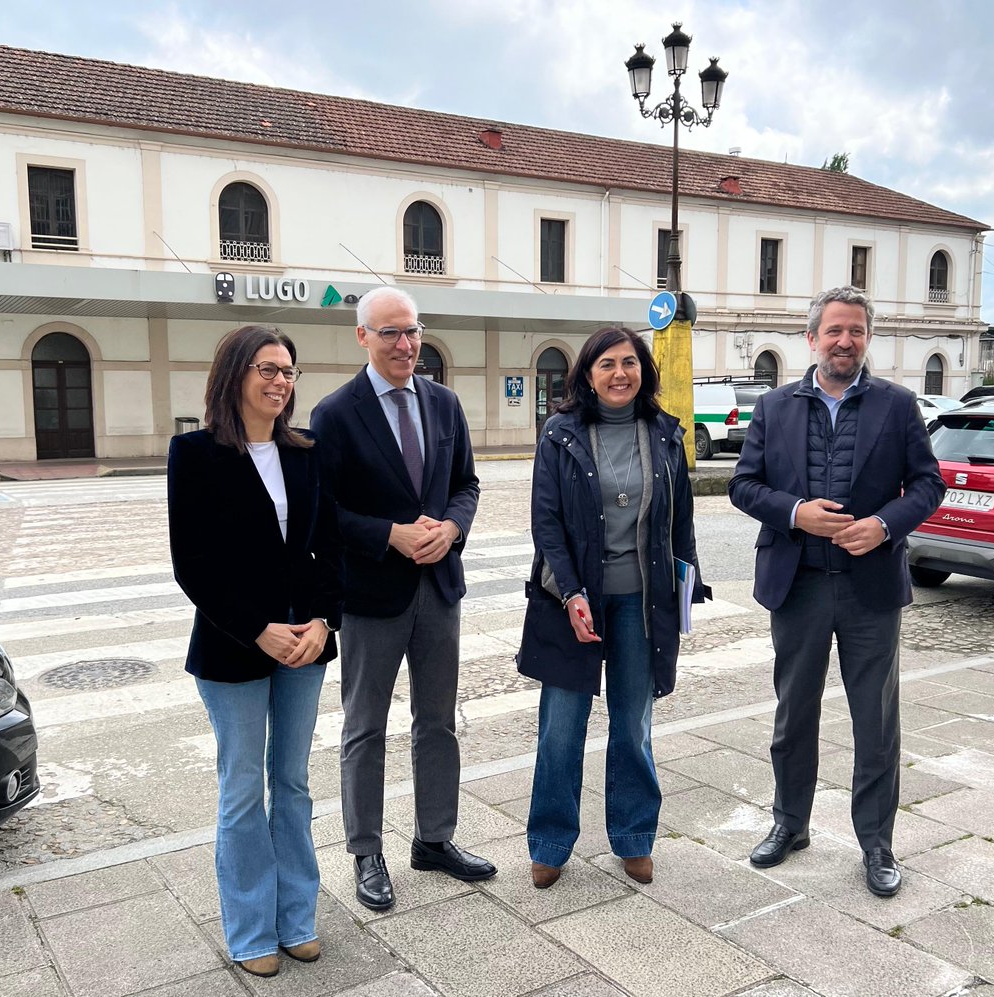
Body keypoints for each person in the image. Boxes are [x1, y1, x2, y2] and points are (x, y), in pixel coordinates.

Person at [728, 286, 944, 897]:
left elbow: (929, 486)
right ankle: (789, 824)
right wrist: (796, 512)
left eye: (855, 331)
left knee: (875, 721)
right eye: (833, 331)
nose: (844, 341)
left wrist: (883, 526)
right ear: (812, 339)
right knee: (794, 713)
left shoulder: (898, 406)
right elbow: (744, 487)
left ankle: (877, 844)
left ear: (867, 338)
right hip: (797, 585)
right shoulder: (774, 408)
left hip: (868, 589)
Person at [309, 286, 494, 912]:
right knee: (365, 728)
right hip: (371, 595)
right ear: (362, 336)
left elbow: (466, 483)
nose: (404, 344)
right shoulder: (335, 414)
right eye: (389, 332)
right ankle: (365, 852)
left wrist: (453, 527)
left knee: (438, 723)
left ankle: (434, 839)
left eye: (411, 330)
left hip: (439, 592)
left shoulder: (443, 404)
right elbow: (323, 514)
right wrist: (387, 534)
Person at [168, 325, 341, 978]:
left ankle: (297, 916)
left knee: (292, 784)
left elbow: (329, 547)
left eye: (289, 371)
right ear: (235, 373)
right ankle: (250, 929)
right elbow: (194, 565)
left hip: (305, 644)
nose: (280, 381)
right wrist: (257, 628)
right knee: (243, 790)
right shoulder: (195, 453)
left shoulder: (306, 451)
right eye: (267, 368)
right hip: (233, 646)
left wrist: (324, 619)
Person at [518, 326, 708, 889]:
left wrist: (687, 591)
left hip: (641, 604)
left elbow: (681, 523)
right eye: (607, 364)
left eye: (629, 363)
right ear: (588, 374)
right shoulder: (560, 434)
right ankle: (550, 843)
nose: (619, 373)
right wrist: (573, 593)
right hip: (568, 599)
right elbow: (546, 523)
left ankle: (633, 836)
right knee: (561, 727)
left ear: (643, 372)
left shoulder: (664, 434)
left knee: (633, 724)